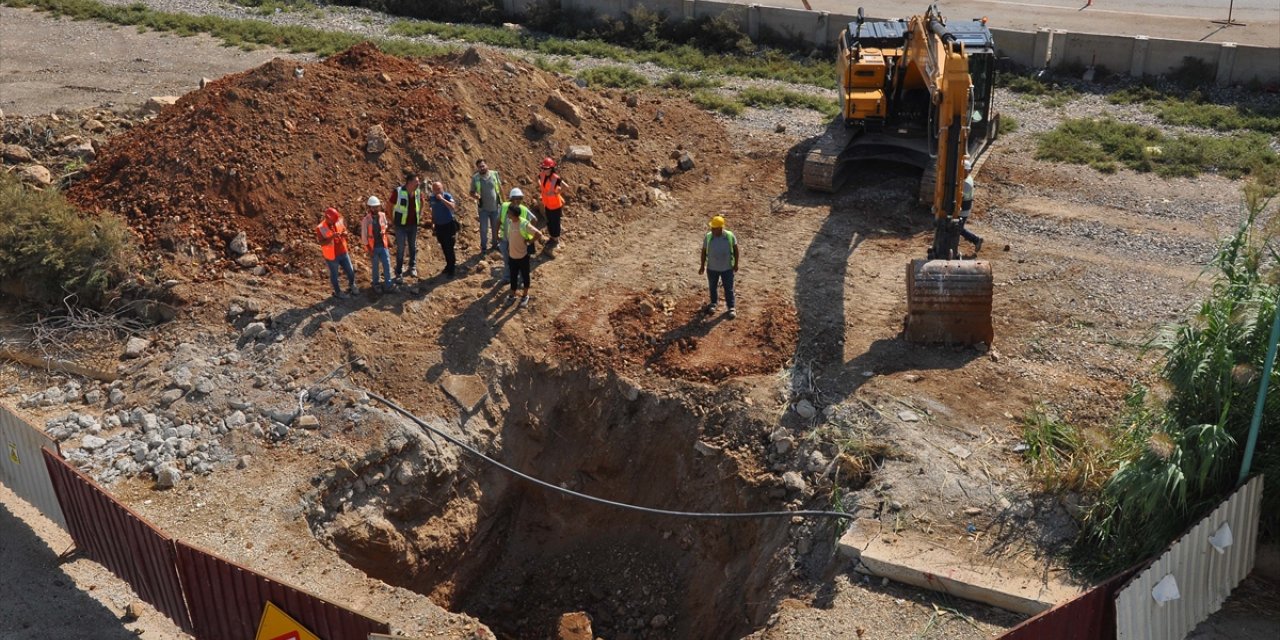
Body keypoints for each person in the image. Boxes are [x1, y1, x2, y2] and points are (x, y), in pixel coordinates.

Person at [500, 188, 548, 308]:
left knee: (525, 276)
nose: (507, 215)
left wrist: (529, 241)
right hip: (512, 256)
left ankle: (525, 296)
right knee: (513, 276)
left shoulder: (524, 223)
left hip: (522, 255)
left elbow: (538, 234)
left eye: (509, 214)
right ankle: (512, 295)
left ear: (514, 215)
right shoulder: (511, 222)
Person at [698, 215, 739, 319]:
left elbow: (736, 250)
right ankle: (713, 303)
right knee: (712, 287)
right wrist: (702, 266)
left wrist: (736, 264)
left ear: (721, 228)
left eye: (714, 228)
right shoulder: (708, 237)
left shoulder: (729, 236)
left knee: (728, 288)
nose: (712, 229)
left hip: (727, 268)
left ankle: (731, 307)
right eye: (712, 227)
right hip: (712, 268)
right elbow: (703, 252)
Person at [390, 172, 423, 283]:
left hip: (413, 225)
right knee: (401, 249)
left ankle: (412, 267)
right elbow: (389, 206)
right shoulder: (398, 192)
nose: (418, 184)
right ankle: (399, 272)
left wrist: (420, 215)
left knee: (412, 247)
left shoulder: (418, 192)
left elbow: (422, 203)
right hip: (400, 226)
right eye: (416, 182)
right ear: (409, 182)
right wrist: (392, 220)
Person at [316, 207, 357, 298]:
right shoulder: (320, 228)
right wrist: (332, 237)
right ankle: (338, 292)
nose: (335, 222)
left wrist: (345, 234)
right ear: (327, 218)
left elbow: (344, 230)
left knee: (350, 271)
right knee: (334, 275)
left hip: (343, 251)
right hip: (332, 256)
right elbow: (322, 243)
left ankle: (352, 285)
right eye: (332, 221)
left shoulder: (338, 220)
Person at [361, 196, 395, 294]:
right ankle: (376, 284)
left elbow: (385, 226)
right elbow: (364, 237)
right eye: (373, 207)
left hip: (383, 246)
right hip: (373, 247)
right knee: (375, 267)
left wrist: (385, 231)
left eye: (377, 207)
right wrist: (369, 250)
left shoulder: (382, 215)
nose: (376, 209)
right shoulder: (366, 220)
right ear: (370, 208)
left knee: (387, 265)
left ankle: (388, 285)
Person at [469, 159, 503, 255]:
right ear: (478, 168)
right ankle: (483, 247)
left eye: (483, 165)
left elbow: (500, 188)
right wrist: (476, 196)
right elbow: (471, 192)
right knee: (484, 229)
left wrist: (503, 202)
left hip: (495, 207)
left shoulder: (494, 174)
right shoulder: (475, 178)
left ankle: (495, 244)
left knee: (495, 227)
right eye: (480, 167)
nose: (482, 168)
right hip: (483, 209)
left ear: (486, 165)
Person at [428, 180, 459, 277]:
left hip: (448, 225)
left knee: (449, 247)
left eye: (439, 189)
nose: (437, 191)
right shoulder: (432, 198)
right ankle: (448, 265)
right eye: (435, 190)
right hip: (439, 226)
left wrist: (442, 199)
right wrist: (433, 223)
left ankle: (452, 268)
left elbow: (453, 207)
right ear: (432, 190)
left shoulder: (447, 196)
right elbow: (433, 211)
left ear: (442, 188)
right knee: (444, 247)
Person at [537, 157, 567, 250]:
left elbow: (566, 186)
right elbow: (538, 180)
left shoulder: (555, 178)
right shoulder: (542, 175)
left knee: (555, 223)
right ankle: (552, 237)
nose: (545, 170)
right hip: (547, 204)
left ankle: (556, 239)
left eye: (546, 168)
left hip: (555, 205)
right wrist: (542, 190)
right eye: (543, 168)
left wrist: (556, 193)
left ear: (551, 168)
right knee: (549, 222)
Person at [959, 172, 983, 254]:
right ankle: (976, 240)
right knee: (958, 228)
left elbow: (959, 197)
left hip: (963, 209)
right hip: (965, 207)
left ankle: (976, 239)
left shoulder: (965, 183)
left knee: (958, 228)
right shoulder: (968, 178)